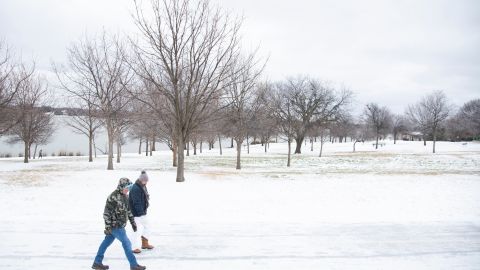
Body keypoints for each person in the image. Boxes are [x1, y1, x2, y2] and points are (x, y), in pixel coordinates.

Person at [92, 178, 147, 270]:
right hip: (115, 226)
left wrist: (133, 222)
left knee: (106, 243)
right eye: (127, 187)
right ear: (121, 187)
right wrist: (108, 227)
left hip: (120, 225)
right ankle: (133, 265)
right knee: (127, 243)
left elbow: (128, 210)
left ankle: (97, 262)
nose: (128, 189)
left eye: (130, 187)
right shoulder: (113, 197)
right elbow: (106, 213)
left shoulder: (125, 196)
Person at [129, 171, 154, 254]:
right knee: (135, 230)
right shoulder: (135, 188)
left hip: (142, 213)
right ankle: (134, 247)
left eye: (147, 181)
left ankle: (144, 243)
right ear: (141, 180)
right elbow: (136, 202)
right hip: (136, 214)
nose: (146, 182)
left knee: (148, 226)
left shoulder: (142, 186)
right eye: (145, 181)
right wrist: (141, 213)